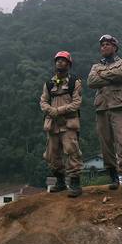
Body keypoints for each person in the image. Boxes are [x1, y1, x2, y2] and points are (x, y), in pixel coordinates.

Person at [87, 34, 122, 193]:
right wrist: (112, 76)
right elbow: (91, 82)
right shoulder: (95, 66)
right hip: (102, 108)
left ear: (115, 47)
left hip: (120, 106)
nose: (104, 47)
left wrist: (103, 75)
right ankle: (113, 177)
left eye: (107, 44)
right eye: (102, 45)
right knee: (105, 144)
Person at [40, 51, 83, 197]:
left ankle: (75, 184)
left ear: (69, 65)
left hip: (68, 123)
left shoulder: (74, 82)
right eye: (58, 60)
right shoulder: (48, 83)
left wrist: (58, 111)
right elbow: (43, 101)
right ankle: (60, 182)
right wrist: (50, 111)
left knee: (72, 151)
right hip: (53, 125)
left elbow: (76, 103)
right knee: (52, 154)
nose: (60, 62)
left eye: (63, 60)